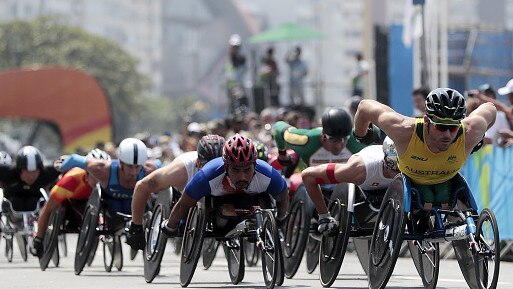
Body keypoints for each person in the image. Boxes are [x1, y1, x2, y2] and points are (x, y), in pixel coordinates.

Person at [353, 87, 496, 211]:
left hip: (446, 181)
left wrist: (480, 137)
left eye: (453, 128)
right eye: (441, 127)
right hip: (412, 182)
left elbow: (490, 108)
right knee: (426, 200)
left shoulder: (470, 131)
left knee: (444, 198)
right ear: (426, 120)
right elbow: (364, 106)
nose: (447, 134)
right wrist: (361, 135)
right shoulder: (403, 130)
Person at [159, 134, 289, 236]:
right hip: (216, 203)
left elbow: (283, 195)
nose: (242, 176)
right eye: (236, 170)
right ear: (225, 166)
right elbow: (184, 204)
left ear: (255, 165)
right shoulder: (207, 175)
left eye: (247, 170)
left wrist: (281, 218)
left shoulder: (269, 175)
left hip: (250, 201)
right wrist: (171, 226)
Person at [126, 135, 225, 250]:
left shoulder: (236, 169)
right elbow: (142, 187)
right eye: (208, 167)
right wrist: (136, 227)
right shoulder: (180, 171)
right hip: (183, 197)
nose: (213, 172)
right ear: (198, 163)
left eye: (219, 167)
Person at [301, 137, 400, 233]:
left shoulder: (412, 169)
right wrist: (324, 216)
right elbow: (308, 176)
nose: (399, 171)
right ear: (386, 161)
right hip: (366, 177)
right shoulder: (359, 170)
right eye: (394, 166)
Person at [32, 149, 111, 257]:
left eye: (104, 173)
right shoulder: (72, 180)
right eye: (96, 173)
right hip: (70, 203)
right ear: (87, 171)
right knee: (57, 205)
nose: (100, 177)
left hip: (94, 204)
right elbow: (48, 209)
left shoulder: (111, 179)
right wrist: (39, 239)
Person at [57, 138, 159, 217]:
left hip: (133, 200)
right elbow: (74, 159)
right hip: (110, 201)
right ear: (121, 163)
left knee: (139, 206)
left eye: (137, 167)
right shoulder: (102, 169)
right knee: (115, 207)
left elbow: (165, 169)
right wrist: (60, 167)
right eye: (130, 166)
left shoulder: (149, 170)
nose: (133, 172)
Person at [0, 146, 60, 212]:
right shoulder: (7, 173)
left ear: (40, 170)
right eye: (27, 172)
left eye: (34, 172)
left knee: (32, 202)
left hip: (36, 204)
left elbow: (66, 164)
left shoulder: (47, 173)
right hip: (11, 205)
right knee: (17, 202)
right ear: (19, 170)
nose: (31, 176)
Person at [226, 34, 248, 113]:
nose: (234, 49)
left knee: (241, 105)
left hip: (240, 87)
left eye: (236, 47)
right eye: (233, 47)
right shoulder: (229, 60)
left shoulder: (242, 58)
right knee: (232, 107)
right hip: (230, 89)